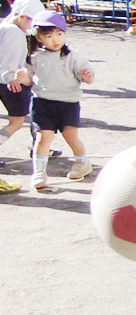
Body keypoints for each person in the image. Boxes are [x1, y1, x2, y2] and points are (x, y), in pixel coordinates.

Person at [15, 11, 95, 192]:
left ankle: (83, 163)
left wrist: (87, 76)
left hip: (68, 103)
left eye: (59, 34)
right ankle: (39, 173)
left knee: (70, 136)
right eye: (48, 36)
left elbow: (89, 78)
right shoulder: (34, 57)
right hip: (42, 102)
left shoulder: (73, 56)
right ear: (39, 37)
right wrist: (23, 79)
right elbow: (30, 80)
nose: (55, 39)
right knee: (43, 138)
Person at [0, 0, 44, 189]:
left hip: (7, 79)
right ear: (22, 17)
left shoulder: (5, 25)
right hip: (10, 82)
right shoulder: (15, 32)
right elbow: (9, 59)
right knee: (16, 122)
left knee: (17, 122)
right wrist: (12, 77)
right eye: (31, 21)